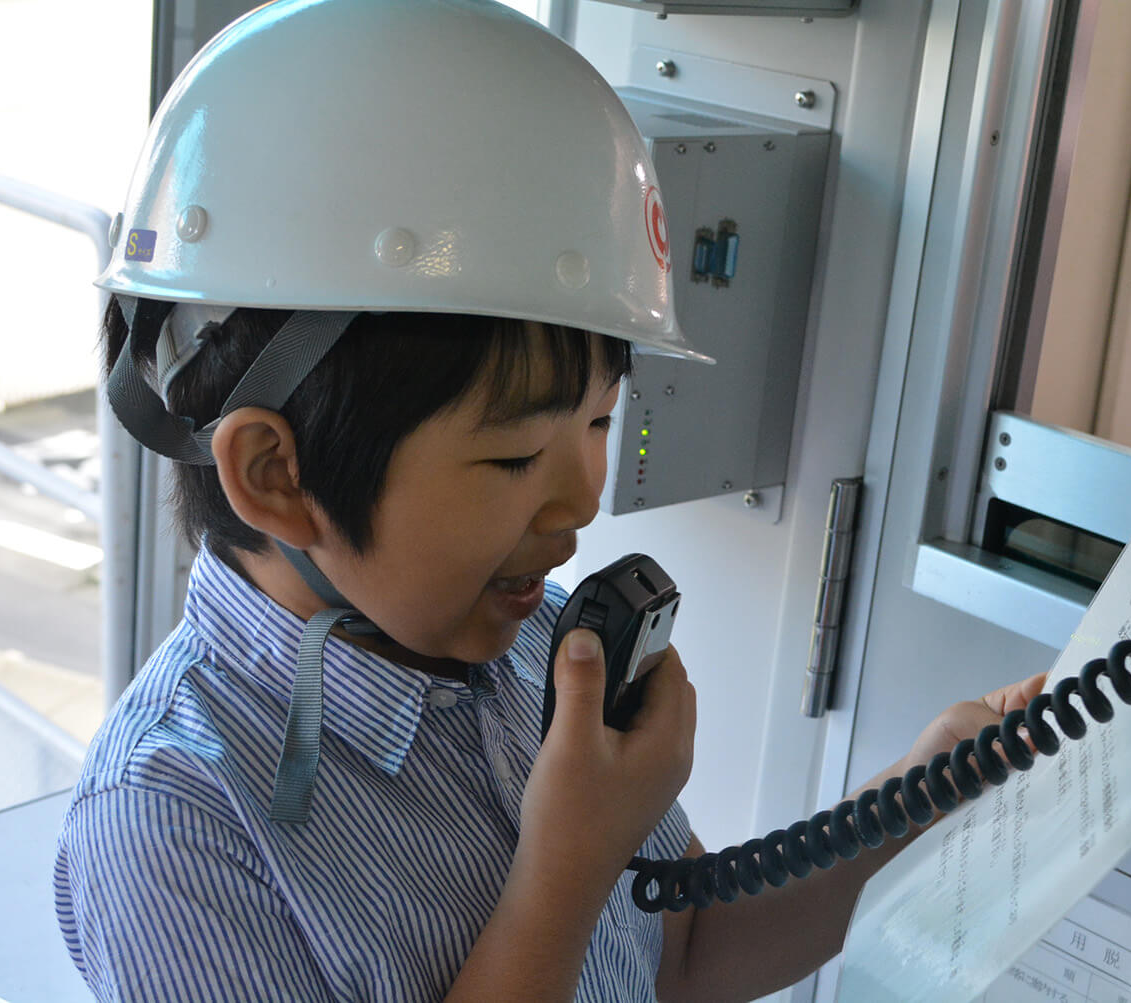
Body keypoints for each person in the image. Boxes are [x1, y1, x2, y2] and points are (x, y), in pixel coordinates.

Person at [53, 1, 1044, 999]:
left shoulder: (538, 649)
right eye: (513, 457)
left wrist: (926, 787)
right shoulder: (170, 821)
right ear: (277, 474)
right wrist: (565, 872)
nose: (581, 501)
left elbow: (686, 951)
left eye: (601, 424)